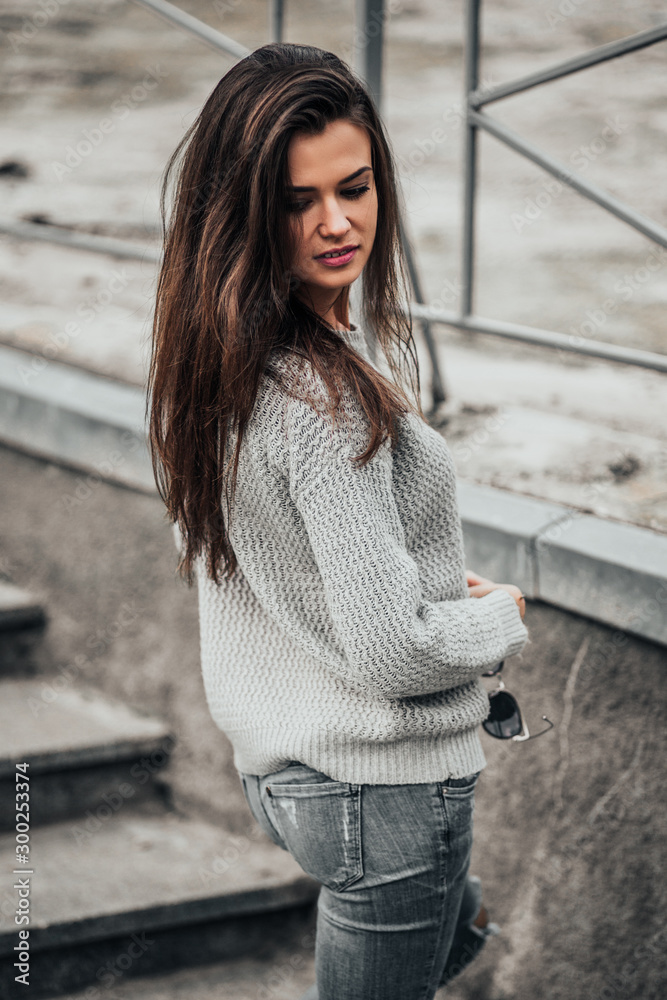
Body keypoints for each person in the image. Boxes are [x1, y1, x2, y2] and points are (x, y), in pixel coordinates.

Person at [148, 41, 529, 1000]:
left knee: (451, 922)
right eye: (294, 201)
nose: (334, 223)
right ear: (242, 211)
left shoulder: (218, 361)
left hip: (287, 772)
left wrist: (426, 585)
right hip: (378, 785)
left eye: (353, 187)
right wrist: (501, 616)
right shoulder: (324, 402)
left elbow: (274, 557)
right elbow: (395, 654)